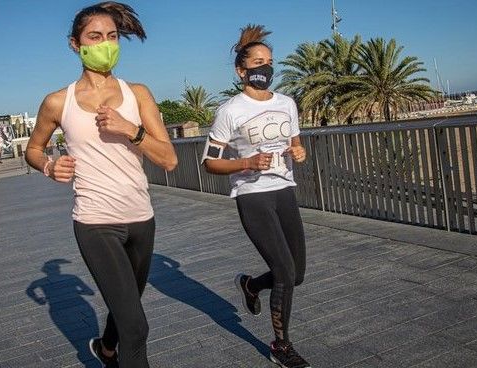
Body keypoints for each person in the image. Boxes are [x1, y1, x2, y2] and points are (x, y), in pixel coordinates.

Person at [25, 2, 177, 367]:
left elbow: (169, 159)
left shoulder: (137, 94)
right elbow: (32, 148)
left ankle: (107, 349)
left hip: (141, 218)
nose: (105, 44)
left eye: (112, 36)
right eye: (95, 37)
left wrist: (131, 130)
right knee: (136, 326)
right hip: (95, 222)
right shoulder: (56, 102)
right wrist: (48, 166)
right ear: (75, 44)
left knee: (127, 309)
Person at [201, 25, 310, 368]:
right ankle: (281, 346)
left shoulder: (287, 104)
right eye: (258, 62)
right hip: (253, 195)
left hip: (284, 191)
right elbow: (209, 162)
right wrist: (247, 161)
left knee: (297, 273)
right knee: (283, 270)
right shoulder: (230, 111)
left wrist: (299, 151)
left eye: (270, 62)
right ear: (241, 70)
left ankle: (250, 285)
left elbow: (294, 143)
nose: (265, 68)